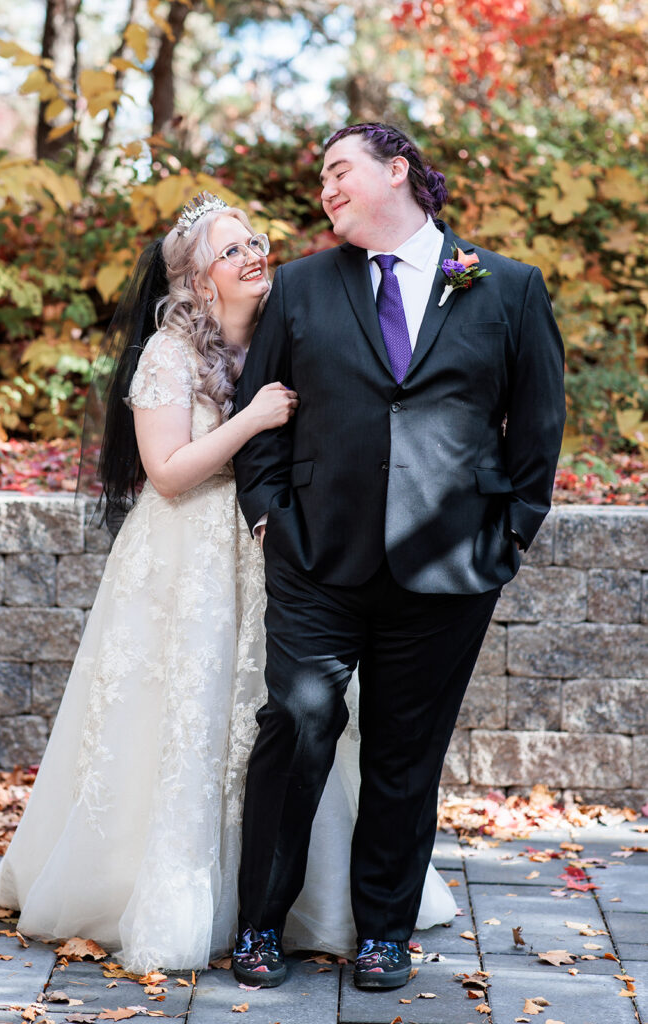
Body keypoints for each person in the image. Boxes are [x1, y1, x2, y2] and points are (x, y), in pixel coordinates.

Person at [0, 191, 455, 974]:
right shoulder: (168, 355)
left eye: (256, 240)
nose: (254, 255)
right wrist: (251, 418)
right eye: (233, 250)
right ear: (201, 282)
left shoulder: (291, 329)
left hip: (273, 551)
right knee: (181, 718)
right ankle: (162, 888)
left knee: (281, 721)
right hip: (185, 556)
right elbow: (166, 474)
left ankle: (300, 897)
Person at [232, 123, 566, 990]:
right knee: (296, 726)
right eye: (320, 181)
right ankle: (260, 924)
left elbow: (535, 429)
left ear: (398, 171)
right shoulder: (301, 287)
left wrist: (511, 535)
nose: (326, 190)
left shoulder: (507, 288)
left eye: (338, 171)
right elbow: (260, 409)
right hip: (315, 559)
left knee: (404, 754)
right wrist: (269, 516)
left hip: (448, 569)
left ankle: (383, 930)